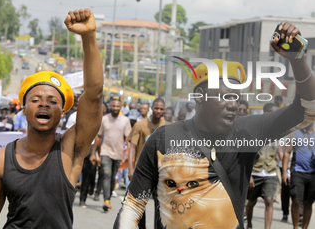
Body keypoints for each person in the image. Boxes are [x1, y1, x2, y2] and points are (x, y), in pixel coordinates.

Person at [113, 21, 315, 229]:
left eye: (236, 98)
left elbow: (308, 110)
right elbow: (133, 206)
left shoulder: (248, 133)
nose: (233, 105)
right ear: (199, 97)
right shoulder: (163, 139)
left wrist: (297, 59)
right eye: (225, 97)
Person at [0, 8, 103, 228]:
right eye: (36, 99)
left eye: (53, 101)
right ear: (23, 109)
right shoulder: (1, 159)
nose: (44, 103)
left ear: (62, 113)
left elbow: (94, 94)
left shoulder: (70, 149)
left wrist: (88, 37)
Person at [127, 98, 166, 229]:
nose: (158, 111)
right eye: (156, 108)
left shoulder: (167, 127)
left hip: (161, 172)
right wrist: (131, 169)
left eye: (161, 109)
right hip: (143, 171)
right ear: (151, 108)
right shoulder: (140, 125)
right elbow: (132, 147)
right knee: (140, 203)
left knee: (160, 206)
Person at [89, 99, 132, 212]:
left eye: (118, 106)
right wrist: (93, 153)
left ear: (121, 107)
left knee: (113, 176)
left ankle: (108, 198)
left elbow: (128, 138)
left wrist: (128, 153)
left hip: (118, 153)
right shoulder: (104, 119)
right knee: (106, 174)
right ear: (110, 106)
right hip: (105, 151)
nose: (115, 108)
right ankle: (106, 200)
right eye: (114, 106)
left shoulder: (125, 120)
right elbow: (98, 137)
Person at [246, 103, 279, 229]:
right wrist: (249, 175)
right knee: (251, 202)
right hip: (255, 172)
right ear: (265, 113)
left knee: (269, 200)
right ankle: (249, 224)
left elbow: (277, 152)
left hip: (270, 172)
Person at [282, 123, 315, 229]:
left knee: (308, 203)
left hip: (313, 173)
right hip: (297, 171)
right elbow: (287, 152)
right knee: (296, 201)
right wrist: (284, 172)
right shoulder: (295, 133)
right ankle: (295, 227)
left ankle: (304, 227)